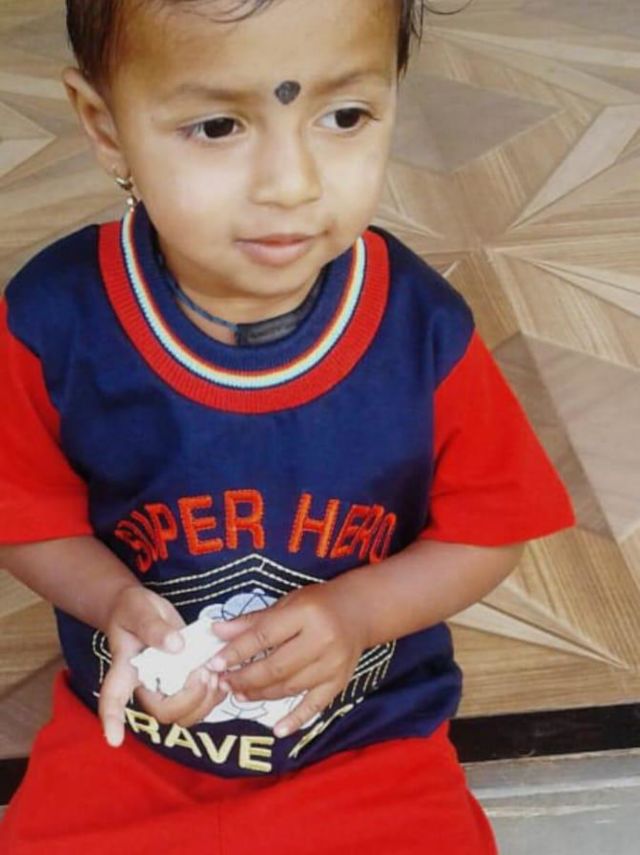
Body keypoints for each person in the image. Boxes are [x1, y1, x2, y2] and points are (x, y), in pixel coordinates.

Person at [0, 0, 575, 852]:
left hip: (368, 742)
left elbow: (490, 530)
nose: (292, 183)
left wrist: (359, 613)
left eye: (344, 116)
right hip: (123, 738)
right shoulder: (52, 323)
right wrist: (113, 600)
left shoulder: (422, 330)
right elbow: (24, 514)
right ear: (106, 127)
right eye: (217, 126)